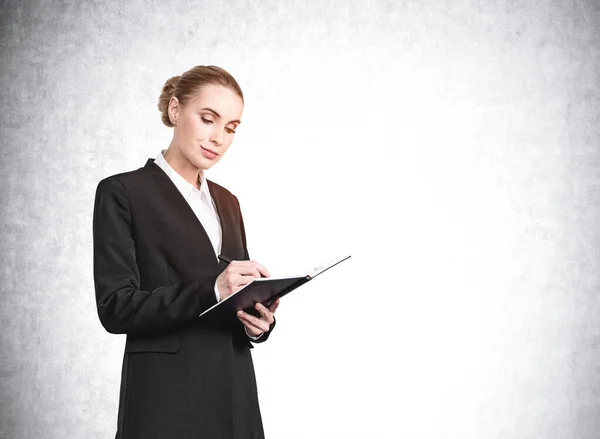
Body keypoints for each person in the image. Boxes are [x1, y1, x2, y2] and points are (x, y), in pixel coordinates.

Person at [92, 65, 279, 439]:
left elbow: (231, 298)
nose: (218, 138)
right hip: (166, 400)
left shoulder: (228, 202)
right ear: (175, 111)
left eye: (230, 128)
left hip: (235, 396)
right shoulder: (123, 193)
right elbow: (115, 307)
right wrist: (211, 290)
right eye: (208, 119)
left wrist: (259, 322)